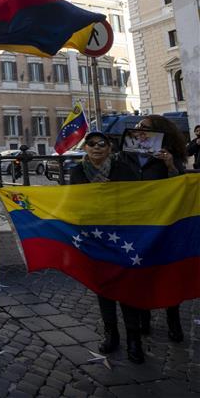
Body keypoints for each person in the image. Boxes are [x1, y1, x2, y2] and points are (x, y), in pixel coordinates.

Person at [67, 131, 144, 363]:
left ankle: (134, 338)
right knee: (103, 286)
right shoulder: (78, 172)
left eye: (102, 144)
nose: (97, 147)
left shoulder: (123, 170)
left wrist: (114, 192)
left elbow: (139, 197)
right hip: (95, 235)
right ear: (86, 148)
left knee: (127, 286)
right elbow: (74, 202)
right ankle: (111, 333)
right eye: (91, 144)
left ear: (109, 148)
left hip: (122, 233)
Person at [120, 115, 187, 344]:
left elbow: (179, 186)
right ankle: (143, 319)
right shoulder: (126, 154)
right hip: (135, 220)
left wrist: (169, 165)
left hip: (163, 219)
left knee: (166, 270)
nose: (138, 130)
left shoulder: (170, 156)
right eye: (137, 127)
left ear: (158, 132)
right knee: (140, 270)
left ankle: (173, 321)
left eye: (144, 127)